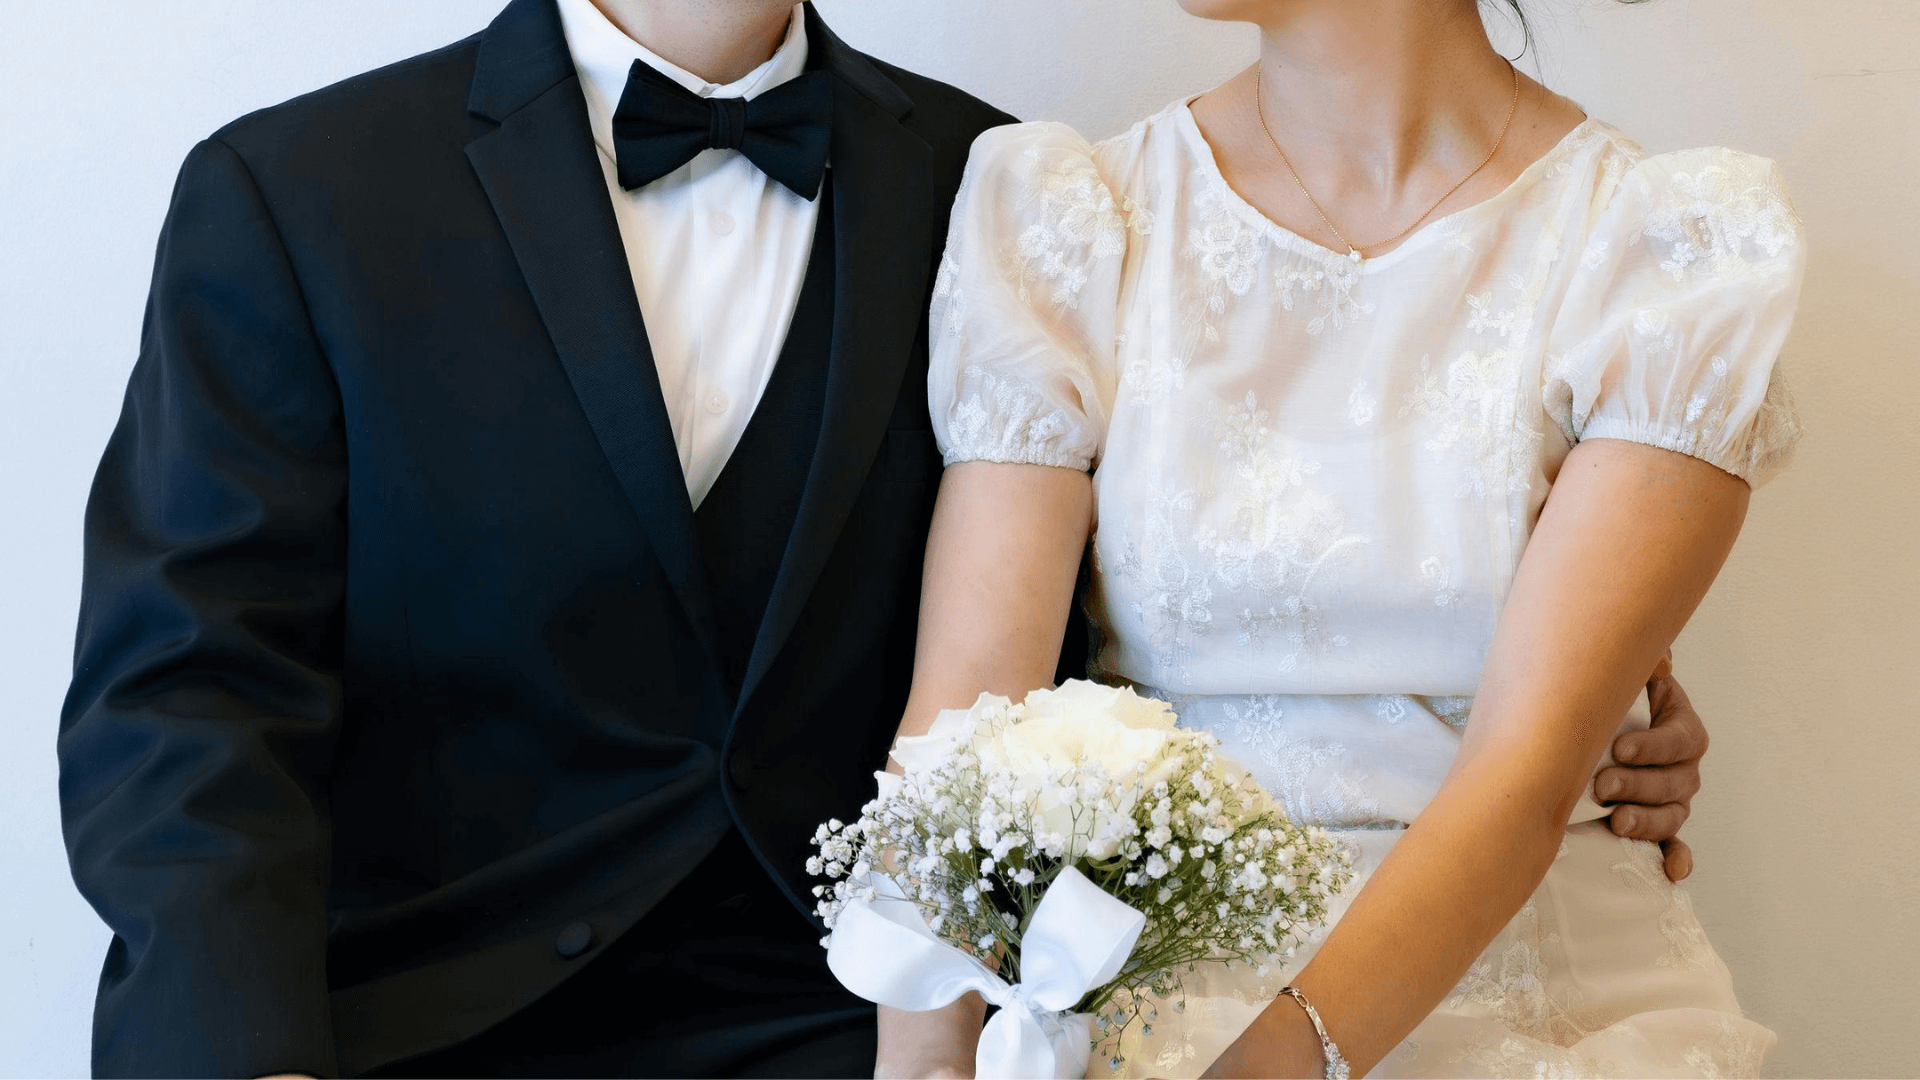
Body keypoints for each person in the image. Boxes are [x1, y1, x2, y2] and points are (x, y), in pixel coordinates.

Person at [58, 0, 1713, 1077]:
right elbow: (187, 703)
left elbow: (1112, 624)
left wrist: (1558, 670)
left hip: (849, 1016)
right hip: (420, 1022)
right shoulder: (299, 193)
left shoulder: (993, 186)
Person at [880, 0, 1801, 1077]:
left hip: (1547, 992)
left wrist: (1270, 1066)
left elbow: (1525, 776)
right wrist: (925, 1063)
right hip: (1148, 991)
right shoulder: (1076, 216)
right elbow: (965, 732)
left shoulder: (1663, 251)